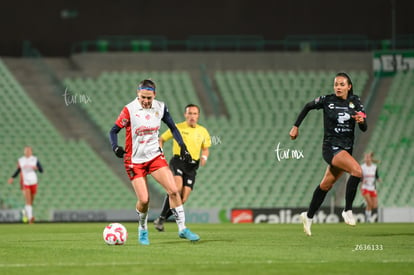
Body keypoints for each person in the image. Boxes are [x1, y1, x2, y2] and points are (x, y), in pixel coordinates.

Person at [109, 79, 200, 245]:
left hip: (154, 157)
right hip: (134, 160)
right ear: (138, 94)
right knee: (144, 200)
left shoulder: (161, 107)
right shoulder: (129, 110)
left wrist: (183, 146)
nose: (146, 101)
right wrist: (115, 147)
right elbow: (113, 130)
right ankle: (142, 229)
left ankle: (182, 229)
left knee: (173, 190)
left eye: (149, 98)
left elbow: (173, 128)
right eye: (143, 97)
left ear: (154, 95)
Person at [289, 72, 368, 236]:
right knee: (357, 171)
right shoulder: (327, 100)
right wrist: (296, 126)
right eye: (336, 84)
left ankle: (308, 216)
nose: (338, 87)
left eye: (341, 84)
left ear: (349, 86)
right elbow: (308, 106)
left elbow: (364, 127)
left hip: (346, 149)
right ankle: (347, 210)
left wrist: (362, 121)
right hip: (331, 147)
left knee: (325, 185)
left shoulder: (355, 101)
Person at [153, 104, 211, 232]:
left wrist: (204, 158)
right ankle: (162, 218)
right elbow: (161, 139)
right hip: (178, 161)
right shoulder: (177, 128)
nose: (192, 116)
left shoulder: (203, 131)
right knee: (176, 189)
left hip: (192, 166)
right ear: (185, 115)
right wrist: (160, 151)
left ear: (198, 116)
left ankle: (161, 219)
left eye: (195, 114)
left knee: (183, 199)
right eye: (189, 113)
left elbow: (205, 149)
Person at [8, 146, 44, 224]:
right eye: (26, 151)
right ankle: (30, 218)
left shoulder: (35, 159)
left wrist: (37, 168)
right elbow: (18, 170)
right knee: (28, 200)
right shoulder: (21, 160)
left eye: (29, 151)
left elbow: (41, 170)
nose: (27, 152)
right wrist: (12, 177)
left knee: (31, 201)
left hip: (34, 182)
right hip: (25, 182)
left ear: (31, 152)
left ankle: (25, 212)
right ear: (24, 152)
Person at [360, 152, 380, 223]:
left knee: (374, 206)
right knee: (370, 204)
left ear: (371, 158)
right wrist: (362, 182)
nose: (367, 159)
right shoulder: (362, 167)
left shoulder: (374, 167)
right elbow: (360, 177)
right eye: (366, 157)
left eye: (368, 157)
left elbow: (376, 176)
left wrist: (378, 179)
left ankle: (365, 202)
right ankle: (368, 218)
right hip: (365, 187)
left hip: (372, 188)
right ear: (365, 159)